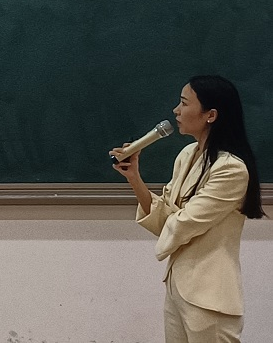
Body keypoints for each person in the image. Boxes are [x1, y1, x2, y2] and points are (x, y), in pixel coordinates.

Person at [110, 75, 265, 343]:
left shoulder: (231, 169)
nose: (176, 110)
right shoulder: (187, 155)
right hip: (178, 289)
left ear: (210, 115)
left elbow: (184, 223)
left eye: (184, 103)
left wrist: (169, 216)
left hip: (209, 297)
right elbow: (163, 221)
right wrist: (134, 177)